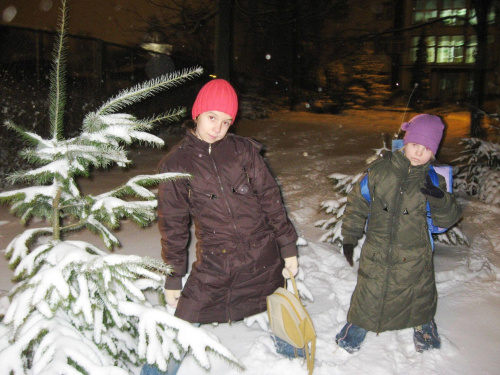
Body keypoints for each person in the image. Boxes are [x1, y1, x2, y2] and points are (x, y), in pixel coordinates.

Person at [142, 79, 299, 374]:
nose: (217, 128)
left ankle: (295, 361)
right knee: (184, 320)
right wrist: (173, 276)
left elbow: (270, 199)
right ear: (197, 114)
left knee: (279, 305)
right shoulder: (175, 163)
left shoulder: (243, 151)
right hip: (218, 260)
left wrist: (287, 246)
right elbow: (173, 225)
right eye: (212, 117)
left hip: (263, 252)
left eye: (226, 122)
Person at [336, 114, 462, 354]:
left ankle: (425, 328)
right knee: (369, 292)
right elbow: (357, 203)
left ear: (433, 153)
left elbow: (448, 218)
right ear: (406, 142)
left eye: (426, 149)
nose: (418, 153)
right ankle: (357, 328)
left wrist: (439, 199)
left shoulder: (433, 179)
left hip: (415, 254)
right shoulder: (379, 172)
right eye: (415, 145)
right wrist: (350, 237)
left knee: (419, 295)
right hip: (377, 250)